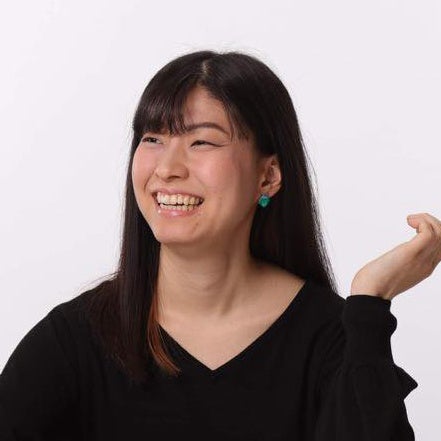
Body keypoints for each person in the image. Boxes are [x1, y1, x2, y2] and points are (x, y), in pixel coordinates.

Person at [0, 49, 439, 440]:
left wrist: (369, 301)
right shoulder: (76, 339)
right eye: (152, 139)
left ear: (268, 176)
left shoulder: (332, 337)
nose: (167, 168)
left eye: (202, 141)